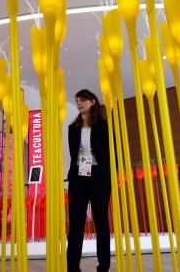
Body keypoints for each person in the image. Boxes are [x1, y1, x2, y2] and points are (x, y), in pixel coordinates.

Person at [67, 89, 112, 272]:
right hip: (78, 177)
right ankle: (72, 268)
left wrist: (107, 173)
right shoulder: (73, 128)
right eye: (77, 100)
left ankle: (103, 267)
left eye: (83, 100)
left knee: (101, 222)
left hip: (99, 176)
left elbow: (111, 152)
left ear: (92, 102)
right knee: (76, 224)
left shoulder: (103, 126)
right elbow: (73, 154)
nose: (79, 103)